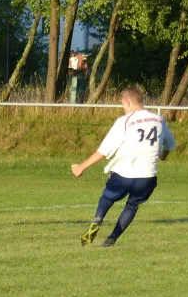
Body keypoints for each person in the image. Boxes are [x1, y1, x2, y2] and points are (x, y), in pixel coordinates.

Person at [71, 86, 176, 247]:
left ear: (127, 102)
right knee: (132, 206)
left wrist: (81, 167)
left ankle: (97, 220)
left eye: (122, 105)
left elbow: (104, 150)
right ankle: (112, 238)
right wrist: (162, 156)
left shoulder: (124, 121)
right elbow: (169, 145)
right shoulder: (159, 120)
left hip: (124, 174)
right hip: (147, 176)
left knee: (107, 197)